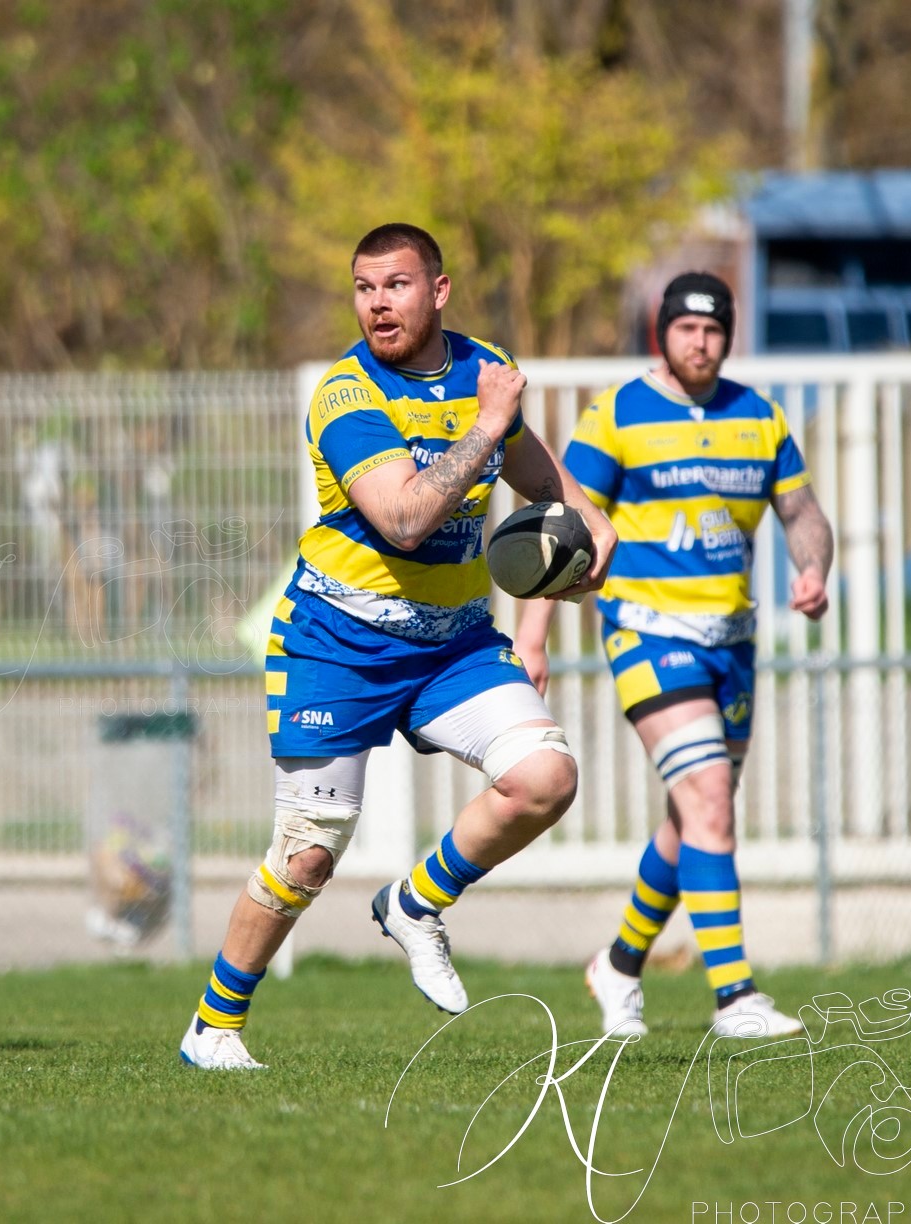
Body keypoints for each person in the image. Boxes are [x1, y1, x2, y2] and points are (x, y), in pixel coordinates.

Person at [179, 223, 617, 1071]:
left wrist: (590, 526)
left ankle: (415, 903)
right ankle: (214, 1027)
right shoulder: (346, 395)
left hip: (451, 645)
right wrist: (488, 426)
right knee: (310, 848)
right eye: (364, 288)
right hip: (335, 642)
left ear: (439, 290)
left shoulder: (483, 369)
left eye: (397, 285)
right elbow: (407, 519)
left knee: (546, 778)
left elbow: (538, 475)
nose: (378, 303)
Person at [515, 272, 833, 1040]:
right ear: (663, 333)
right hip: (647, 631)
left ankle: (619, 966)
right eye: (687, 329)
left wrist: (813, 565)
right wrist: (532, 637)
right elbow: (562, 523)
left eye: (715, 330)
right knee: (711, 802)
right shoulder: (618, 412)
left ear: (729, 336)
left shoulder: (757, 417)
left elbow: (802, 511)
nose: (701, 342)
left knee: (693, 816)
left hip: (732, 640)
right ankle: (736, 998)